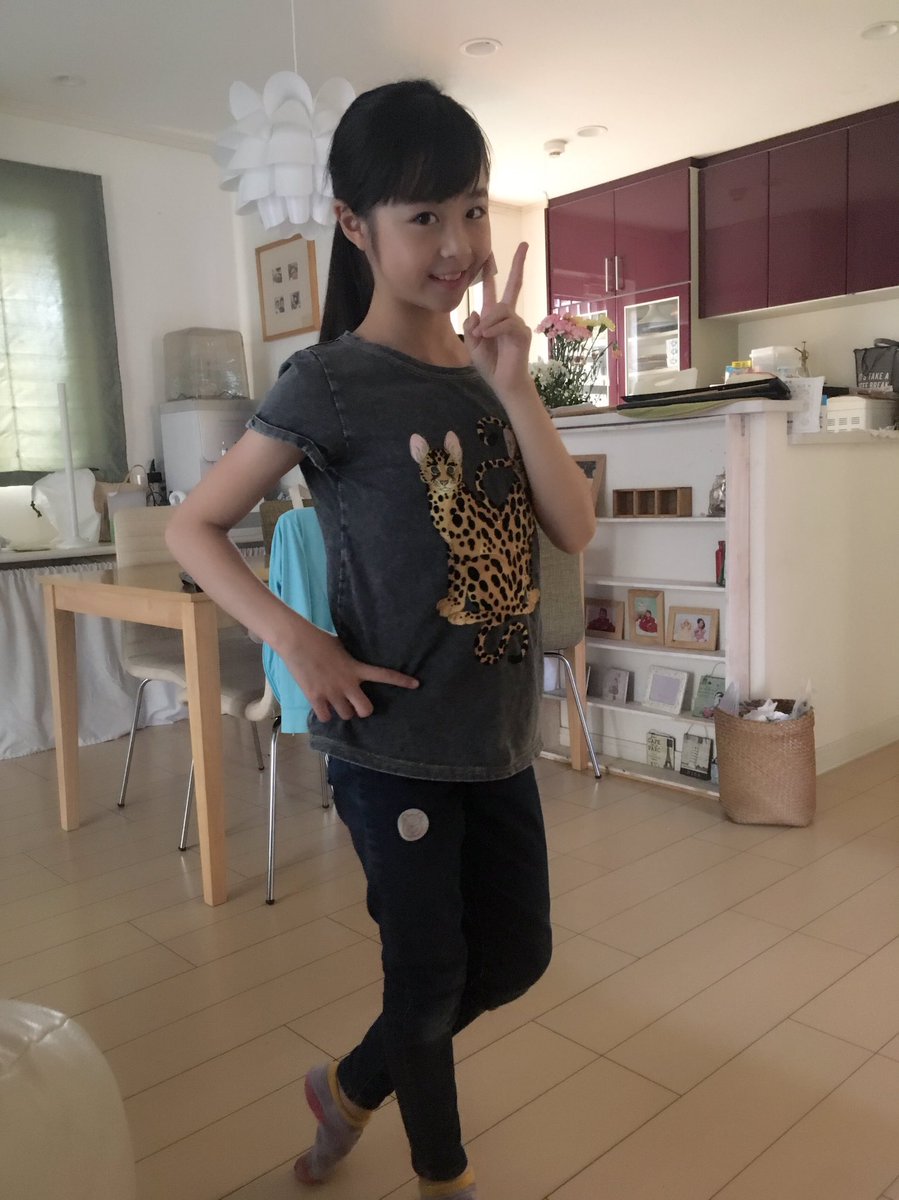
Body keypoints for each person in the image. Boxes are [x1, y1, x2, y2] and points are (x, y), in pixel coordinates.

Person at [166, 79, 594, 1200]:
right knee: (428, 978)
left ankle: (347, 1086)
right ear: (354, 226)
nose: (457, 245)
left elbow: (574, 526)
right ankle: (441, 1174)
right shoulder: (330, 381)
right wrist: (295, 640)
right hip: (390, 739)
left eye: (472, 209)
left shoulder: (494, 371)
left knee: (520, 955)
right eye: (423, 217)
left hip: (496, 735)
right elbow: (191, 525)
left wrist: (517, 389)